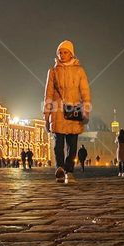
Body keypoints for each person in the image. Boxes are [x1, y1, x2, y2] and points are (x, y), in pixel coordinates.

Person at [43, 39, 91, 184]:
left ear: (71, 54)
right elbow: (48, 94)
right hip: (57, 111)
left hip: (74, 109)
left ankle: (69, 170)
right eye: (60, 52)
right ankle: (60, 168)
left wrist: (86, 110)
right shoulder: (53, 71)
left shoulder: (79, 71)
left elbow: (85, 92)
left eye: (65, 52)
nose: (62, 55)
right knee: (58, 143)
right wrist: (46, 115)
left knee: (72, 143)